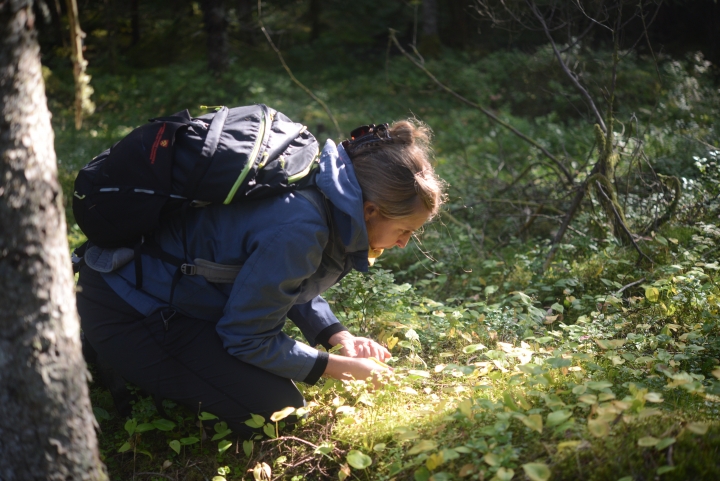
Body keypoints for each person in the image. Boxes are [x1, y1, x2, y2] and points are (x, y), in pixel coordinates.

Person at [76, 118, 444, 436]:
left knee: (267, 394)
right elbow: (246, 338)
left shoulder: (325, 189)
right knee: (276, 410)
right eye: (405, 230)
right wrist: (338, 368)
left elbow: (278, 276)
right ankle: (107, 356)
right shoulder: (302, 227)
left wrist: (337, 336)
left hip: (139, 284)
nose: (402, 243)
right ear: (371, 210)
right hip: (127, 308)